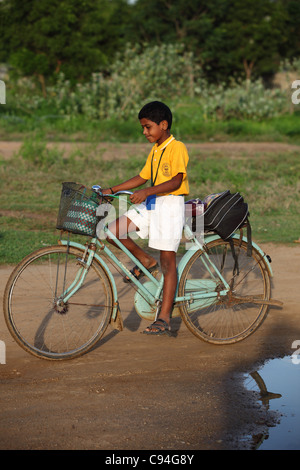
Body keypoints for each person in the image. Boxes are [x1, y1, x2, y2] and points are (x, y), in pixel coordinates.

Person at [102, 101, 189, 335]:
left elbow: (176, 182)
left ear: (163, 125)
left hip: (169, 205)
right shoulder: (156, 149)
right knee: (111, 232)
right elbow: (143, 176)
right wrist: (110, 190)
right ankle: (146, 262)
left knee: (168, 263)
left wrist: (147, 192)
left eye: (147, 127)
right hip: (152, 204)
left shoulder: (176, 147)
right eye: (143, 127)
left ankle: (164, 317)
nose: (144, 132)